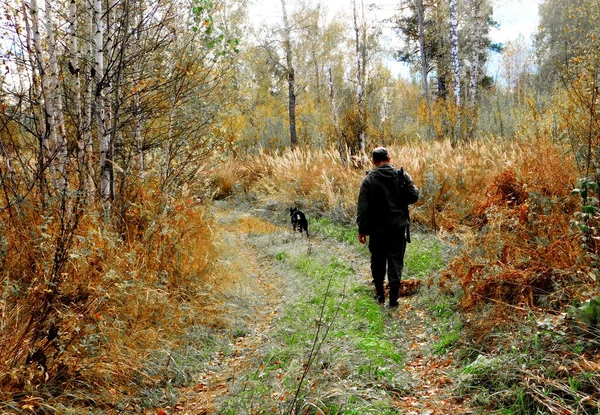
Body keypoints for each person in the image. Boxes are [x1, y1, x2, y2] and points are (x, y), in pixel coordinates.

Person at [356, 147, 420, 307]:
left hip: (377, 231)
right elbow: (414, 196)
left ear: (373, 161)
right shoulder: (402, 176)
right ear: (389, 159)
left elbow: (362, 208)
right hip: (397, 229)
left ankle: (380, 296)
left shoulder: (368, 180)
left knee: (377, 262)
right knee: (396, 262)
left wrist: (362, 230)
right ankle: (393, 299)